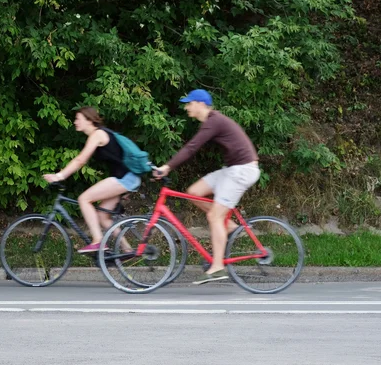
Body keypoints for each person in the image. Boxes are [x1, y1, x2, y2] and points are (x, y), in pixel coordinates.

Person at [155, 89, 260, 284]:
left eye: (189, 103)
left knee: (214, 216)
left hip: (243, 171)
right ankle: (228, 226)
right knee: (194, 192)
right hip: (233, 170)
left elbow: (192, 147)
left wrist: (168, 167)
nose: (187, 107)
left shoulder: (214, 121)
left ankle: (218, 267)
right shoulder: (212, 121)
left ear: (200, 104)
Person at [43, 107, 141, 253]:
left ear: (89, 120)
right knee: (103, 216)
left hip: (125, 178)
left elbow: (81, 160)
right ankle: (128, 250)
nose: (75, 122)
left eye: (78, 119)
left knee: (84, 199)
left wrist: (59, 176)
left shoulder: (98, 134)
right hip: (127, 178)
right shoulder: (100, 134)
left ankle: (98, 241)